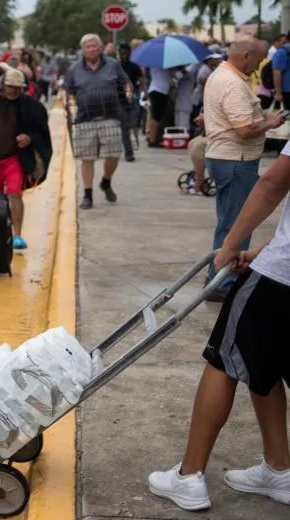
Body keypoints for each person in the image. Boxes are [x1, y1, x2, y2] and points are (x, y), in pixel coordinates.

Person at [148, 140, 290, 512]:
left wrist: (230, 243)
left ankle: (189, 475)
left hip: (281, 280)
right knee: (265, 365)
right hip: (282, 267)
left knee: (222, 362)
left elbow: (273, 184)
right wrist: (264, 250)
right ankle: (279, 468)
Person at [202, 37, 285, 301]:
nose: (260, 65)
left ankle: (218, 278)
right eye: (258, 60)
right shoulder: (231, 83)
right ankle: (222, 283)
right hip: (235, 161)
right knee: (237, 223)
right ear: (245, 55)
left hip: (228, 159)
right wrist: (270, 123)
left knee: (229, 221)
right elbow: (244, 129)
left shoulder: (223, 76)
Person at [0, 63, 52, 250]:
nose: (12, 91)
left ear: (22, 89)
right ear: (2, 86)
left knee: (15, 194)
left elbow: (41, 131)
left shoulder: (30, 106)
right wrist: (1, 69)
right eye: (9, 86)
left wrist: (30, 138)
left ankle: (17, 235)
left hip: (14, 159)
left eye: (17, 88)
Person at [63, 33, 130, 210]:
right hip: (85, 118)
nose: (91, 49)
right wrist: (63, 105)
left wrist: (128, 92)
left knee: (114, 154)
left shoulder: (112, 65)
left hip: (110, 116)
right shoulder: (74, 69)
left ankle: (106, 181)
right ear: (82, 50)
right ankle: (87, 195)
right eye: (88, 46)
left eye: (94, 46)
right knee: (87, 158)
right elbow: (66, 90)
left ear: (100, 48)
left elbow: (125, 82)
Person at [118, 43, 144, 162]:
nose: (124, 55)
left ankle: (129, 147)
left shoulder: (134, 66)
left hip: (132, 100)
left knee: (133, 124)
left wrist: (145, 92)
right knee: (125, 127)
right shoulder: (116, 66)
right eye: (122, 53)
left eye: (126, 53)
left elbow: (141, 79)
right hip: (119, 101)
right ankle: (129, 152)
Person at [147, 66, 172, 147]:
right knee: (156, 117)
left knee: (154, 116)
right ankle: (153, 140)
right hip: (160, 91)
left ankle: (152, 137)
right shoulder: (165, 64)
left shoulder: (154, 64)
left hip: (155, 89)